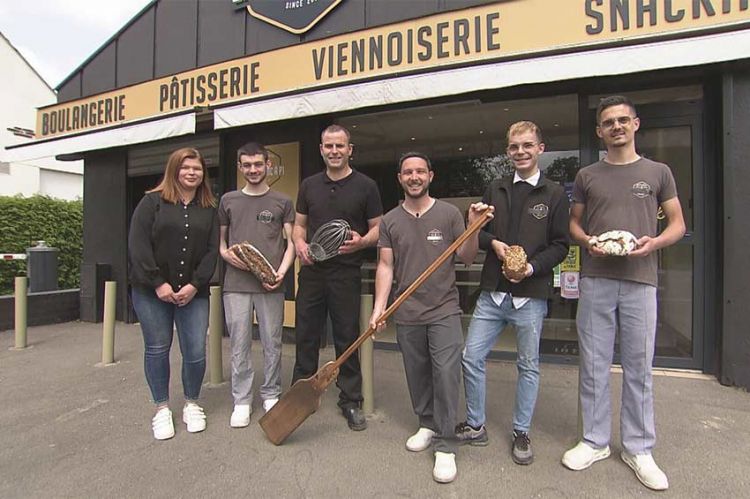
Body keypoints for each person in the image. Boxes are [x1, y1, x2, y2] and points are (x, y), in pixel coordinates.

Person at [561, 95, 686, 491]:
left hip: (640, 278)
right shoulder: (587, 176)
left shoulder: (658, 171)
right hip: (596, 277)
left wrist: (654, 244)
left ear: (635, 124)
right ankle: (595, 441)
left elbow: (678, 225)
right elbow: (574, 227)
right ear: (599, 131)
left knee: (638, 366)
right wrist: (588, 242)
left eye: (622, 120)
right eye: (608, 123)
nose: (616, 127)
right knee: (594, 363)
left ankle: (639, 448)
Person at [369, 152, 491, 483]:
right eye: (407, 172)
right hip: (407, 311)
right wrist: (379, 309)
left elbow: (466, 257)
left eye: (420, 171)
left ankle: (446, 443)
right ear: (400, 178)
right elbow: (385, 265)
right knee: (417, 372)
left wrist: (473, 227)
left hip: (444, 309)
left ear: (430, 176)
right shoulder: (390, 221)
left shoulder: (449, 213)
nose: (414, 176)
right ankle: (426, 423)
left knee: (447, 374)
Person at [456, 121, 570, 465]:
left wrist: (530, 268)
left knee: (528, 366)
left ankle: (522, 432)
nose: (520, 152)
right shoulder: (496, 188)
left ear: (540, 148)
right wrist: (495, 244)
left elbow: (561, 245)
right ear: (508, 151)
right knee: (470, 356)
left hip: (530, 297)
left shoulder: (553, 194)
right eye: (514, 147)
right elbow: (480, 232)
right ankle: (476, 425)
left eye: (527, 145)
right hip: (493, 293)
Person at [291, 124, 383, 431]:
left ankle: (350, 400)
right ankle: (299, 397)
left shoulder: (366, 186)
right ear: (321, 149)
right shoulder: (308, 185)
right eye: (329, 146)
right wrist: (300, 244)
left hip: (346, 273)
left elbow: (378, 229)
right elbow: (299, 226)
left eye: (340, 146)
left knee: (346, 337)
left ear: (349, 150)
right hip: (312, 272)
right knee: (305, 334)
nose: (334, 151)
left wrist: (362, 242)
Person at [128, 147, 219, 440]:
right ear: (174, 170)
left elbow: (210, 252)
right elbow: (138, 246)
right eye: (186, 167)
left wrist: (195, 284)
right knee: (157, 348)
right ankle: (162, 408)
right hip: (152, 292)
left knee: (195, 351)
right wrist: (159, 283)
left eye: (197, 168)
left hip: (194, 292)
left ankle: (192, 402)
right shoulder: (151, 203)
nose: (192, 172)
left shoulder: (209, 208)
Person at [218, 142, 295, 428]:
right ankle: (241, 400)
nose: (253, 170)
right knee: (239, 343)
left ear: (268, 166)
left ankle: (271, 393)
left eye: (258, 164)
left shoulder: (282, 202)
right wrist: (227, 255)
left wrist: (281, 273)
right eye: (247, 165)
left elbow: (292, 245)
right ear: (240, 167)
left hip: (270, 284)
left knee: (272, 342)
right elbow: (222, 242)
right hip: (236, 284)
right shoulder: (228, 200)